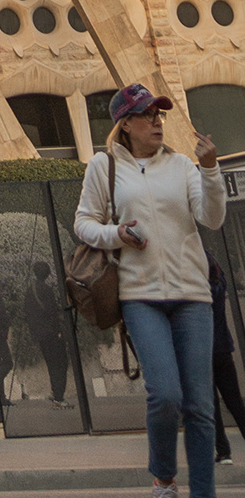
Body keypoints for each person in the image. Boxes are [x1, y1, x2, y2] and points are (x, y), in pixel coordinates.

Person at [74, 82, 224, 498]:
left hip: (193, 295)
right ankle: (163, 477)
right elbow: (83, 223)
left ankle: (204, 493)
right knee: (165, 395)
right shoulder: (103, 166)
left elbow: (212, 218)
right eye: (147, 115)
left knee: (200, 406)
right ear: (125, 124)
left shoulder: (182, 166)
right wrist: (117, 234)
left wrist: (210, 170)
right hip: (140, 297)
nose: (157, 122)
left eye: (159, 114)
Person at [208, 260, 245, 462]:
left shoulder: (195, 290)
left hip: (202, 351)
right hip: (222, 348)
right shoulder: (218, 280)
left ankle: (223, 452)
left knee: (211, 404)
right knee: (235, 402)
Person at [24, 257, 72, 402]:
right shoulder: (47, 290)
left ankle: (55, 392)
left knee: (51, 363)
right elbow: (52, 313)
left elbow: (27, 313)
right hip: (51, 333)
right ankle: (58, 396)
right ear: (47, 274)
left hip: (40, 334)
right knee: (61, 363)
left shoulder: (30, 290)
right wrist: (59, 330)